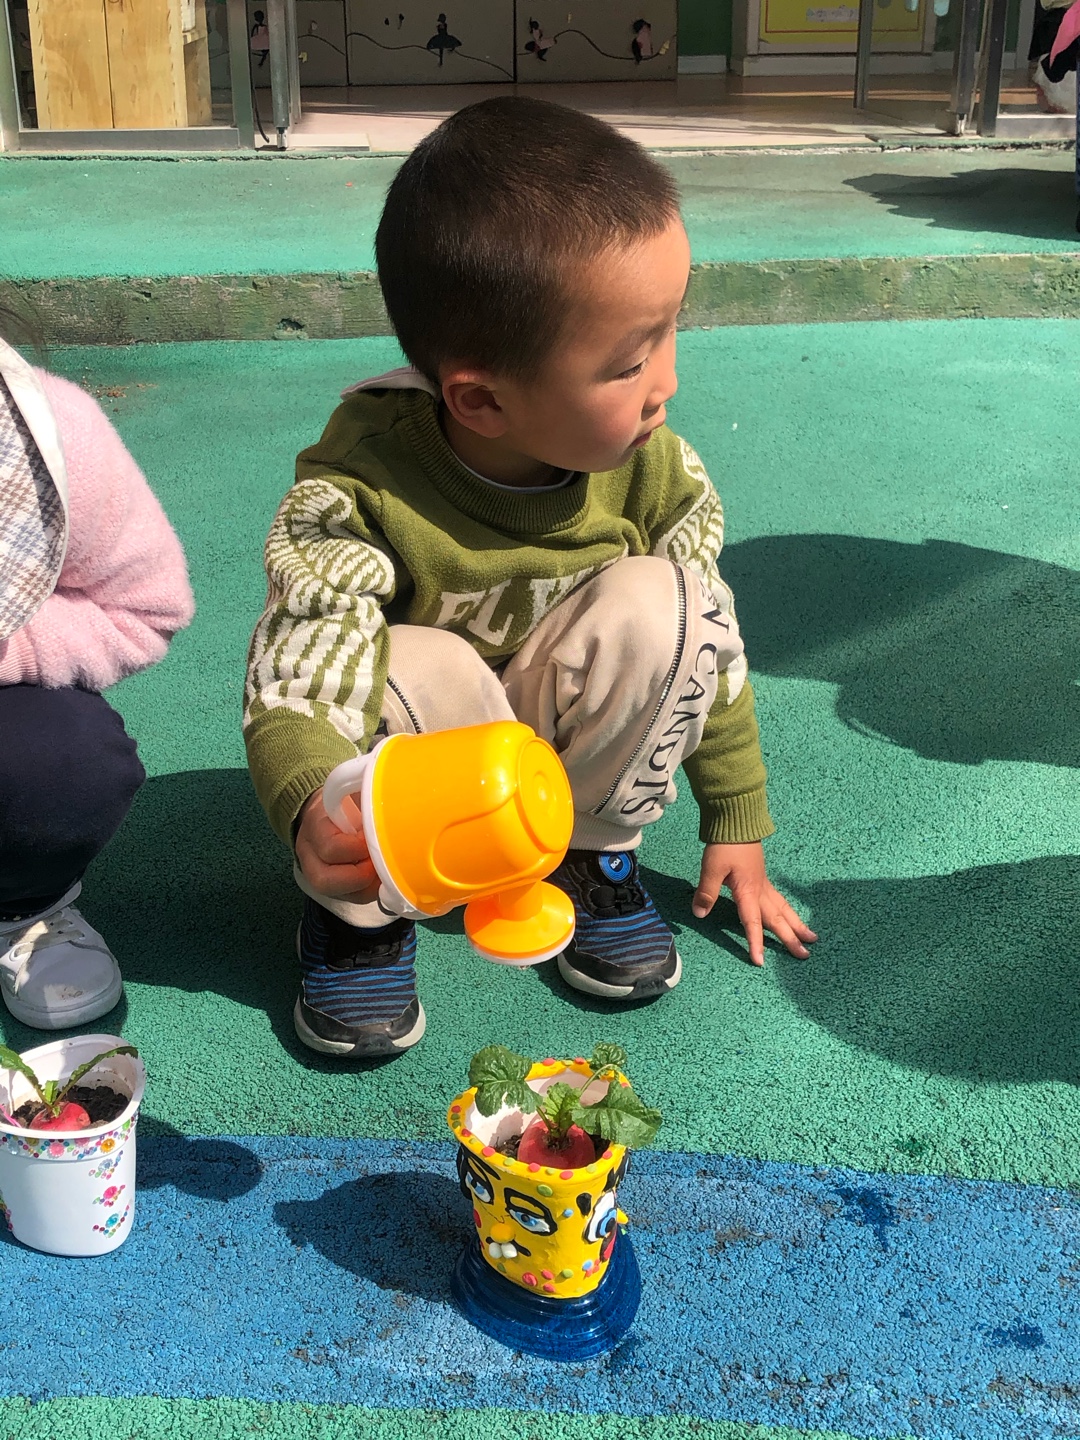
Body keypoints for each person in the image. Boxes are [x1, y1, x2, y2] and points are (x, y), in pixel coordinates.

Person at [243, 97, 817, 1060]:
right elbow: (302, 669)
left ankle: (591, 854)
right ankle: (360, 914)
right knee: (397, 659)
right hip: (436, 757)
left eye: (670, 331)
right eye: (630, 362)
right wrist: (313, 806)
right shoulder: (362, 484)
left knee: (669, 602)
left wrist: (737, 817)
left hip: (563, 749)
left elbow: (707, 649)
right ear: (479, 399)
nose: (667, 382)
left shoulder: (656, 471)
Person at [0, 321, 194, 1029]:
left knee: (62, 762)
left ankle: (24, 904)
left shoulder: (49, 433)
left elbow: (147, 608)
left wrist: (8, 650)